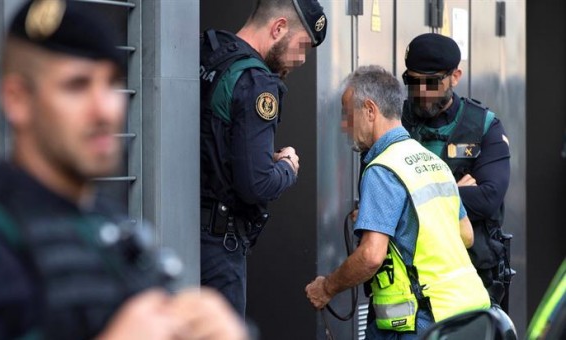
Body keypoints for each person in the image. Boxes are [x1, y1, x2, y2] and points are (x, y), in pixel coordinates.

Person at [0, 1, 246, 339]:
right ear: (17, 99)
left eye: (111, 83)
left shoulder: (106, 223)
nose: (105, 110)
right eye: (77, 85)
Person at [305, 65, 490, 339]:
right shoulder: (433, 161)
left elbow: (370, 256)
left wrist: (327, 288)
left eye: (347, 115)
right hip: (465, 313)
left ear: (369, 110)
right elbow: (466, 236)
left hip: (418, 321)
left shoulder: (383, 169)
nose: (345, 125)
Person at [199, 0, 327, 316]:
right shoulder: (257, 82)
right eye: (302, 46)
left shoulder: (210, 51)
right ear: (278, 28)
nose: (301, 60)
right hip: (218, 246)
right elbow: (257, 184)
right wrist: (287, 167)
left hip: (180, 229)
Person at [400, 33, 513, 309]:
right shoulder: (395, 121)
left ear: (455, 76)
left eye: (432, 82)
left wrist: (410, 198)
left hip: (471, 273)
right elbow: (378, 195)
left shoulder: (484, 126)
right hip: (409, 276)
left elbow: (487, 199)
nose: (422, 91)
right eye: (413, 82)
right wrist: (453, 191)